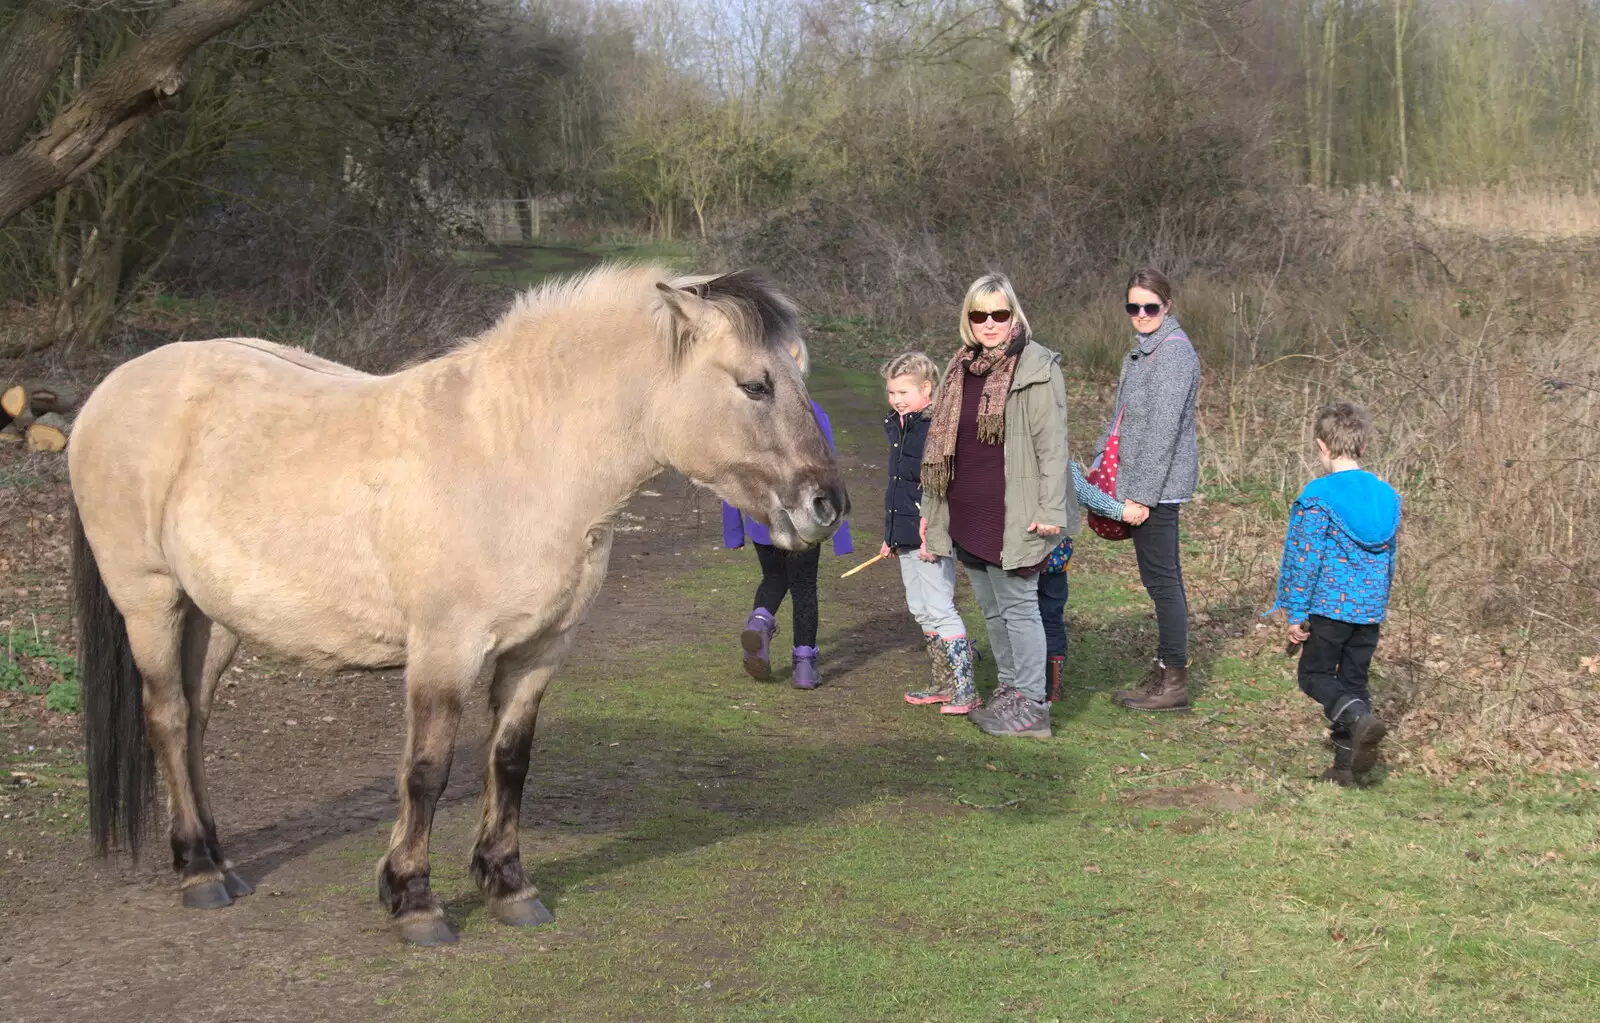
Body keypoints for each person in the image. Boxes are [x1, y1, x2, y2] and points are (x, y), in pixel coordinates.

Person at [919, 272, 1078, 739]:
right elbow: (940, 447)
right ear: (968, 319)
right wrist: (930, 514)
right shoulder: (960, 368)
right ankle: (1010, 689)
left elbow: (1053, 446)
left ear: (1014, 315)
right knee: (991, 607)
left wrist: (1051, 509)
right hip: (967, 509)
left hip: (1017, 507)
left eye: (999, 314)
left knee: (1019, 604)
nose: (989, 323)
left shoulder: (1036, 366)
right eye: (979, 314)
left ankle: (1032, 705)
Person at [1269, 402, 1400, 786]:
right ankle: (1347, 770)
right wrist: (1379, 602)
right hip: (1369, 612)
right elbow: (1389, 559)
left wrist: (1295, 612)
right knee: (1354, 684)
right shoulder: (1386, 495)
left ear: (1322, 446)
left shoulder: (1318, 495)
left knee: (1314, 676)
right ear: (1361, 446)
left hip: (1329, 609)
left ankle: (1359, 720)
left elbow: (1303, 558)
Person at [1100, 268, 1203, 714]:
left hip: (1157, 488)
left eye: (1150, 307)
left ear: (1168, 306)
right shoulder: (1147, 351)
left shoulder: (1173, 355)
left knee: (1163, 582)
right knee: (1158, 580)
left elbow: (1161, 433)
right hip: (1145, 483)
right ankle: (1163, 673)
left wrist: (1140, 496)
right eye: (1133, 307)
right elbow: (1129, 420)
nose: (1141, 314)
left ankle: (1173, 682)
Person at [723, 340, 853, 689]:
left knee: (774, 579)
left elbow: (734, 473)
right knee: (804, 589)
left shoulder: (747, 420)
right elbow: (828, 475)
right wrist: (838, 532)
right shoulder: (812, 415)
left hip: (762, 521)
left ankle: (760, 625)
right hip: (803, 520)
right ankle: (805, 666)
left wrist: (733, 530)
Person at [879, 352, 981, 714]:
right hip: (905, 534)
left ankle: (966, 688)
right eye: (892, 392)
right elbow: (898, 486)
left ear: (927, 388)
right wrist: (891, 534)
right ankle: (942, 683)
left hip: (933, 535)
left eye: (904, 391)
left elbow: (941, 486)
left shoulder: (936, 427)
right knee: (920, 608)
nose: (897, 399)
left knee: (940, 608)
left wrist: (931, 535)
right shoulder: (898, 425)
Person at [1037, 466, 1135, 702]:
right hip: (1055, 554)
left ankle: (1028, 681)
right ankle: (1053, 687)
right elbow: (1090, 496)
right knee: (1051, 617)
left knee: (1022, 615)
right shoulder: (1063, 465)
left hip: (1023, 553)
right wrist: (1121, 511)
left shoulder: (1009, 460)